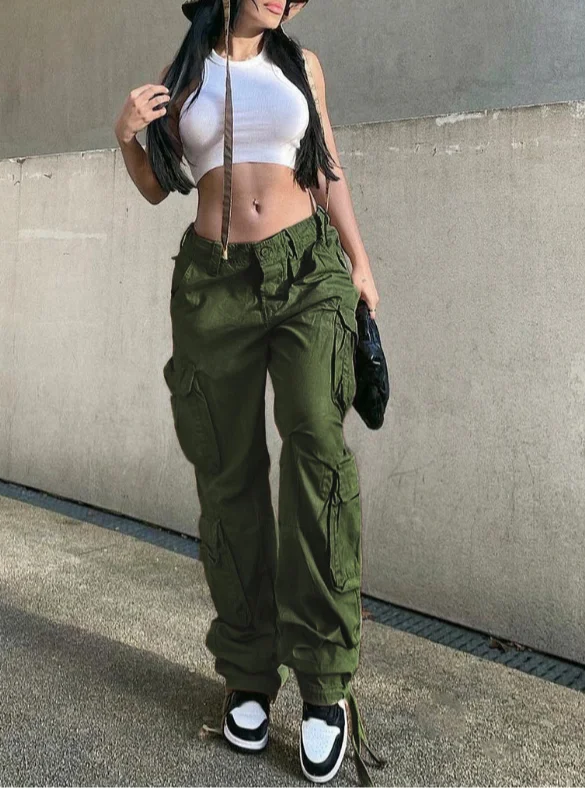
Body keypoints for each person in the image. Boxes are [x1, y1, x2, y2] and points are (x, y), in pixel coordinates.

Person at [114, 0, 385, 783]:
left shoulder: (302, 67)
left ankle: (326, 682)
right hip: (214, 284)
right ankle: (248, 671)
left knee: (318, 451)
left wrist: (360, 261)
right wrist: (125, 135)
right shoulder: (184, 75)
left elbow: (327, 168)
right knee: (227, 474)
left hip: (308, 273)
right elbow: (157, 187)